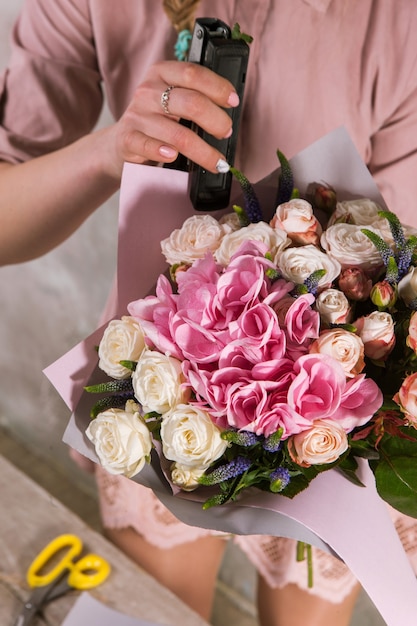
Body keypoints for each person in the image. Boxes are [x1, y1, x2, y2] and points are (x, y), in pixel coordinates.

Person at [1, 1, 417, 625]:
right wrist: (109, 151)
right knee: (155, 612)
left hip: (329, 423)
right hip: (159, 401)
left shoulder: (398, 22)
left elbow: (397, 262)